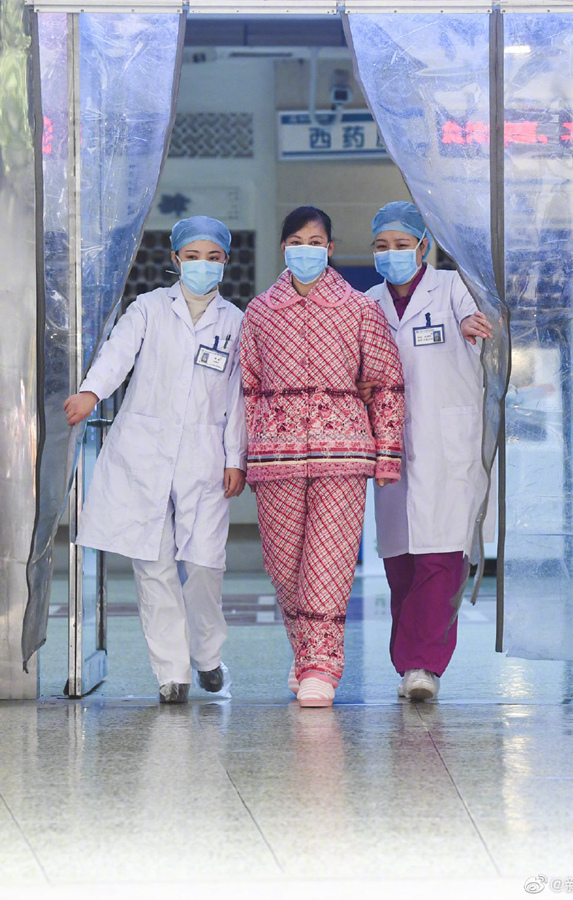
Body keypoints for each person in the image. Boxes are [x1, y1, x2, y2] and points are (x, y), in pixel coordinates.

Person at [63, 215, 247, 704]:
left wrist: (236, 457)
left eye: (213, 257)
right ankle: (172, 673)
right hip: (143, 453)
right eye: (193, 256)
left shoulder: (236, 322)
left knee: (205, 564)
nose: (202, 265)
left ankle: (207, 656)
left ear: (225, 261)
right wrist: (91, 392)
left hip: (206, 457)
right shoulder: (147, 308)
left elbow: (238, 397)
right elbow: (117, 354)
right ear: (176, 260)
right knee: (153, 563)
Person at [240, 206, 404, 708]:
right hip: (275, 456)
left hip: (344, 451)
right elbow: (248, 389)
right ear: (283, 248)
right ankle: (304, 651)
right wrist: (244, 454)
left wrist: (388, 453)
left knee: (329, 562)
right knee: (284, 565)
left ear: (330, 249)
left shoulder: (360, 309)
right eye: (296, 241)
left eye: (315, 242)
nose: (305, 250)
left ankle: (322, 666)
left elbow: (386, 382)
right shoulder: (260, 312)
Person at [359, 201, 492, 701]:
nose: (391, 253)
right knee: (401, 562)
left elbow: (483, 327)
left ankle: (423, 665)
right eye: (381, 245)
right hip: (391, 443)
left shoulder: (454, 288)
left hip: (447, 442)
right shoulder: (366, 303)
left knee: (442, 557)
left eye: (401, 244)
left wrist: (474, 327)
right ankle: (409, 662)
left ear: (423, 246)